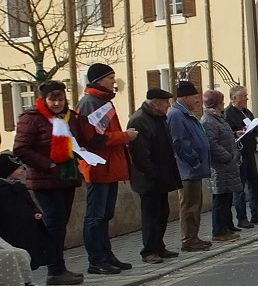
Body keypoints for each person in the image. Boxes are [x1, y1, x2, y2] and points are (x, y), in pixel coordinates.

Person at [13, 80, 86, 285]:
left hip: (67, 178)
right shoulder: (32, 119)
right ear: (44, 100)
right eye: (52, 100)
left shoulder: (69, 117)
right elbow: (21, 149)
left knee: (61, 224)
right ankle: (54, 270)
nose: (57, 104)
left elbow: (76, 141)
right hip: (45, 179)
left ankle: (59, 267)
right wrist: (49, 165)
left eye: (60, 99)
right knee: (54, 223)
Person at [76, 63, 138, 274]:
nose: (114, 81)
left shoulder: (102, 102)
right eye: (110, 77)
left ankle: (107, 255)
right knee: (95, 215)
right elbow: (94, 139)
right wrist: (124, 136)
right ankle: (96, 259)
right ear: (99, 80)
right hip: (98, 168)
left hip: (109, 167)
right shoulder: (90, 103)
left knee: (104, 215)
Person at [127, 89, 183, 263]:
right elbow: (140, 154)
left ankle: (159, 246)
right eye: (165, 102)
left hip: (161, 175)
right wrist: (152, 173)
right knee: (151, 216)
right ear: (155, 103)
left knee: (162, 213)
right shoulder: (140, 119)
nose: (168, 106)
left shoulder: (159, 118)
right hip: (148, 178)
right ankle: (149, 250)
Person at [167, 80, 212, 252]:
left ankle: (193, 237)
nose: (197, 101)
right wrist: (194, 160)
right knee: (189, 206)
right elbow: (179, 143)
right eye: (194, 97)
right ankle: (188, 239)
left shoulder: (186, 113)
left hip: (193, 169)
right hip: (187, 169)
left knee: (195, 205)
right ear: (185, 97)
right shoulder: (177, 115)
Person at [0, 150, 53, 286]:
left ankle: (28, 281)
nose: (21, 170)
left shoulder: (19, 187)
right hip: (10, 230)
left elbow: (30, 202)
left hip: (27, 227)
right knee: (14, 257)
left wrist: (36, 212)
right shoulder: (4, 190)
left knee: (28, 255)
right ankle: (19, 285)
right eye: (17, 169)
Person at [224, 86, 258, 229]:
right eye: (244, 96)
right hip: (239, 154)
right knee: (240, 188)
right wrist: (236, 132)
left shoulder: (246, 112)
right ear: (235, 98)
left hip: (250, 152)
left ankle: (256, 213)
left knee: (254, 185)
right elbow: (227, 133)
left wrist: (255, 128)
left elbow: (251, 127)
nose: (246, 98)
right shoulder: (228, 113)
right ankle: (242, 217)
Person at [201, 89, 243, 242]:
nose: (224, 103)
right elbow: (211, 143)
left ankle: (225, 229)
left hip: (227, 165)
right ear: (216, 103)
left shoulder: (218, 118)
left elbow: (224, 137)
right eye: (221, 101)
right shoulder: (208, 120)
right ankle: (218, 231)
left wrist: (233, 138)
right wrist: (227, 157)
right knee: (219, 201)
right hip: (219, 167)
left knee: (226, 199)